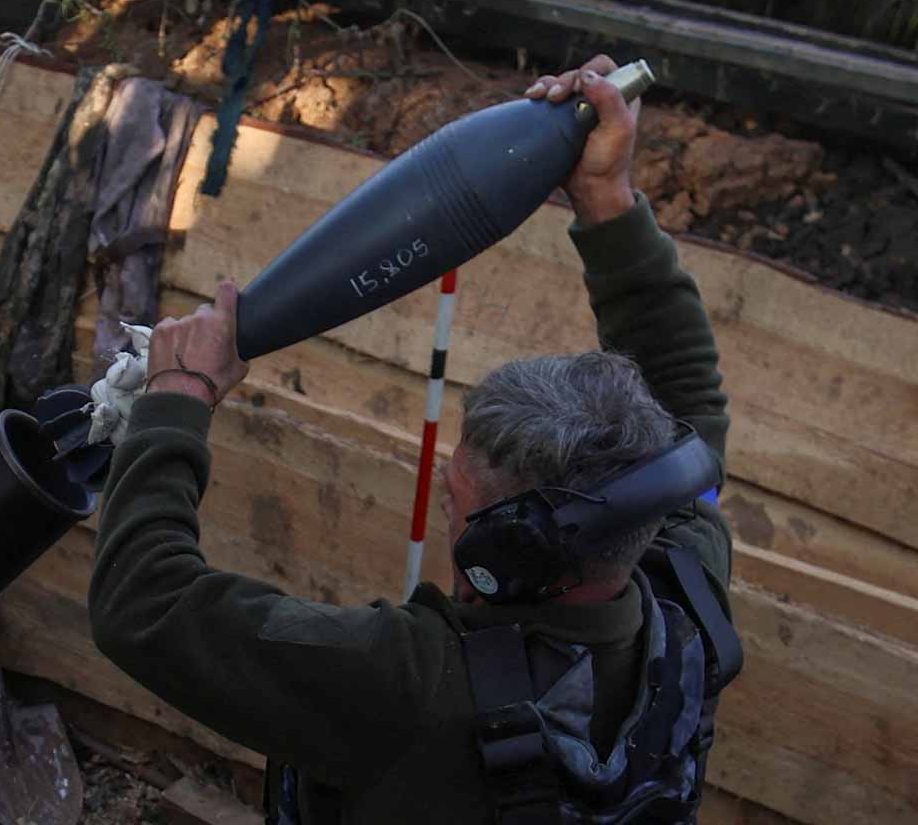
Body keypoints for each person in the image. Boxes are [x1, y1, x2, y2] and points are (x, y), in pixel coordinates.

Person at [88, 56, 742, 823]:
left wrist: (180, 396)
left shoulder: (404, 685)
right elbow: (690, 407)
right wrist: (606, 197)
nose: (443, 503)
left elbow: (147, 605)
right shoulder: (687, 596)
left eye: (458, 497)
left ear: (502, 554)